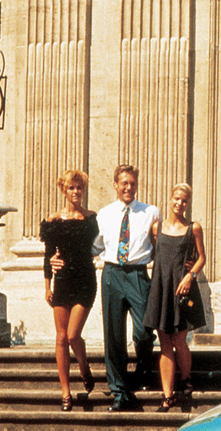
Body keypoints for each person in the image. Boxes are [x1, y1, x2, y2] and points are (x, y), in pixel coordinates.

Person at [92, 165, 161, 411]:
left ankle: (143, 370)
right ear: (115, 185)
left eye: (132, 183)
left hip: (138, 275)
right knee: (113, 334)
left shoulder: (151, 212)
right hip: (112, 273)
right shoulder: (104, 214)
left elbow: (160, 245)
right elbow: (95, 247)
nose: (128, 188)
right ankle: (119, 391)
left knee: (144, 330)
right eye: (124, 183)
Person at [143, 183, 206, 411]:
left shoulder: (193, 228)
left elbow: (201, 258)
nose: (180, 203)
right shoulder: (156, 228)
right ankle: (168, 396)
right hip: (161, 289)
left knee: (179, 340)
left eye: (184, 200)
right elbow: (153, 254)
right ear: (170, 199)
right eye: (177, 198)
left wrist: (190, 276)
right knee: (164, 343)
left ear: (188, 203)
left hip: (183, 290)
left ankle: (186, 379)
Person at [40, 169, 99, 411]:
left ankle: (83, 366)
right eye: (71, 187)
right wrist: (47, 285)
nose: (76, 191)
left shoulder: (91, 218)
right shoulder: (54, 220)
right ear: (63, 190)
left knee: (74, 335)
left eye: (79, 187)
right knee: (61, 338)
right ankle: (65, 392)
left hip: (85, 279)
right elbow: (48, 255)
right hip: (62, 280)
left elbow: (101, 246)